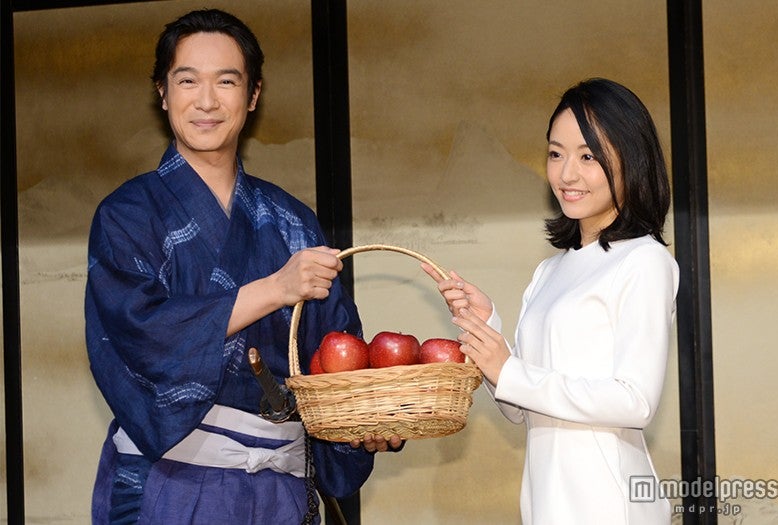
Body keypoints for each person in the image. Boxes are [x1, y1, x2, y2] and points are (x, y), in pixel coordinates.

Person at [85, 9, 398, 524]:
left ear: (253, 95)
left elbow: (333, 359)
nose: (206, 101)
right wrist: (276, 288)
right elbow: (142, 336)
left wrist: (362, 422)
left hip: (279, 494)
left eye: (226, 82)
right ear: (162, 93)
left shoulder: (293, 223)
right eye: (188, 81)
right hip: (171, 485)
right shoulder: (128, 215)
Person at [424, 78, 679, 524]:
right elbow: (518, 408)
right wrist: (487, 327)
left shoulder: (644, 261)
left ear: (630, 160)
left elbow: (635, 401)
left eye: (588, 156)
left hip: (609, 508)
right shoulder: (549, 272)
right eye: (556, 154)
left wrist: (510, 370)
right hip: (546, 507)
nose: (566, 174)